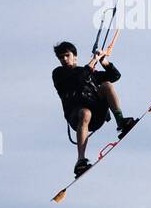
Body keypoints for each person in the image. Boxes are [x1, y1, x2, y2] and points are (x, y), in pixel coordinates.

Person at [52, 41, 135, 175]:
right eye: (61, 57)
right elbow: (78, 79)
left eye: (67, 55)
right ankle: (80, 160)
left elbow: (115, 76)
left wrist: (103, 61)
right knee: (85, 113)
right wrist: (93, 61)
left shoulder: (88, 72)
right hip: (77, 117)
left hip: (97, 115)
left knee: (107, 85)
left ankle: (121, 122)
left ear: (75, 56)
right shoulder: (58, 74)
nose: (64, 59)